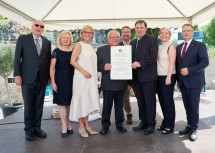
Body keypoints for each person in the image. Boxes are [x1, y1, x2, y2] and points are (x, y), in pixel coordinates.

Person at [14, 20, 51, 141]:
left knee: (39, 105)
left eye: (42, 26)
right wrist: (17, 75)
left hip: (42, 78)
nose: (39, 27)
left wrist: (49, 77)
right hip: (27, 77)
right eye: (37, 25)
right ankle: (28, 130)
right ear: (32, 26)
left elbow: (48, 61)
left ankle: (37, 128)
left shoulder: (47, 42)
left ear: (43, 29)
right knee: (29, 105)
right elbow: (17, 58)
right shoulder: (23, 39)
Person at [176, 24, 209, 141]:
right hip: (183, 83)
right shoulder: (179, 47)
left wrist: (189, 70)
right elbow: (178, 65)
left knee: (193, 108)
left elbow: (205, 62)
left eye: (188, 31)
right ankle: (189, 126)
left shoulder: (199, 45)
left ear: (192, 32)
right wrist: (178, 80)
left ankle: (194, 129)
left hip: (195, 82)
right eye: (184, 30)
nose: (186, 32)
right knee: (187, 106)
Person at [70, 25, 100, 138]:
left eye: (90, 32)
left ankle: (87, 125)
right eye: (85, 32)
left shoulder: (90, 47)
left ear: (92, 34)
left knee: (88, 101)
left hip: (90, 78)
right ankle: (81, 127)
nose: (87, 34)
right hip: (81, 77)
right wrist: (84, 72)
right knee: (81, 100)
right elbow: (72, 61)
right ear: (82, 34)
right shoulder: (79, 45)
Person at [97, 30, 127, 135]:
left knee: (119, 105)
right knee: (106, 105)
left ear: (119, 39)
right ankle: (105, 126)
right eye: (112, 37)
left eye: (116, 37)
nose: (114, 39)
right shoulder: (100, 50)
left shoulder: (125, 50)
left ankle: (120, 124)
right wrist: (103, 67)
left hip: (121, 82)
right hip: (108, 82)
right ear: (108, 39)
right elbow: (96, 66)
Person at [131, 20, 158, 135]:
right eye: (137, 27)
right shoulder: (132, 42)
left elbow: (153, 56)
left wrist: (140, 63)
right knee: (140, 101)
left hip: (148, 76)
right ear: (135, 29)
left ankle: (151, 124)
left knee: (149, 101)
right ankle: (143, 122)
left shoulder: (152, 40)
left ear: (146, 28)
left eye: (141, 27)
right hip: (136, 77)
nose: (139, 29)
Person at [50, 30, 74, 138]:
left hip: (72, 80)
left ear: (70, 40)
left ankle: (68, 123)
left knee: (69, 104)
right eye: (63, 37)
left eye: (67, 38)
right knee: (62, 104)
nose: (65, 39)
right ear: (60, 39)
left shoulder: (74, 51)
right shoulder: (56, 51)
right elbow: (51, 68)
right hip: (60, 80)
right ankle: (64, 126)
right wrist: (53, 82)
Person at [157, 28, 176, 134]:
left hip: (168, 77)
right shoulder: (159, 47)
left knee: (168, 101)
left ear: (169, 35)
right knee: (162, 101)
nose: (164, 35)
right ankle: (165, 122)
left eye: (166, 33)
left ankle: (170, 125)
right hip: (159, 77)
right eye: (162, 33)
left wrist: (168, 77)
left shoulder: (171, 46)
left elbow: (172, 63)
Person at [120, 26, 133, 124]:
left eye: (127, 32)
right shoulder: (117, 46)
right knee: (125, 98)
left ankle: (145, 118)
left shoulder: (136, 44)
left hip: (137, 76)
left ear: (131, 33)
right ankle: (129, 114)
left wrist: (131, 82)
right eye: (124, 32)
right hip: (123, 76)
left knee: (142, 98)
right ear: (121, 34)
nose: (126, 33)